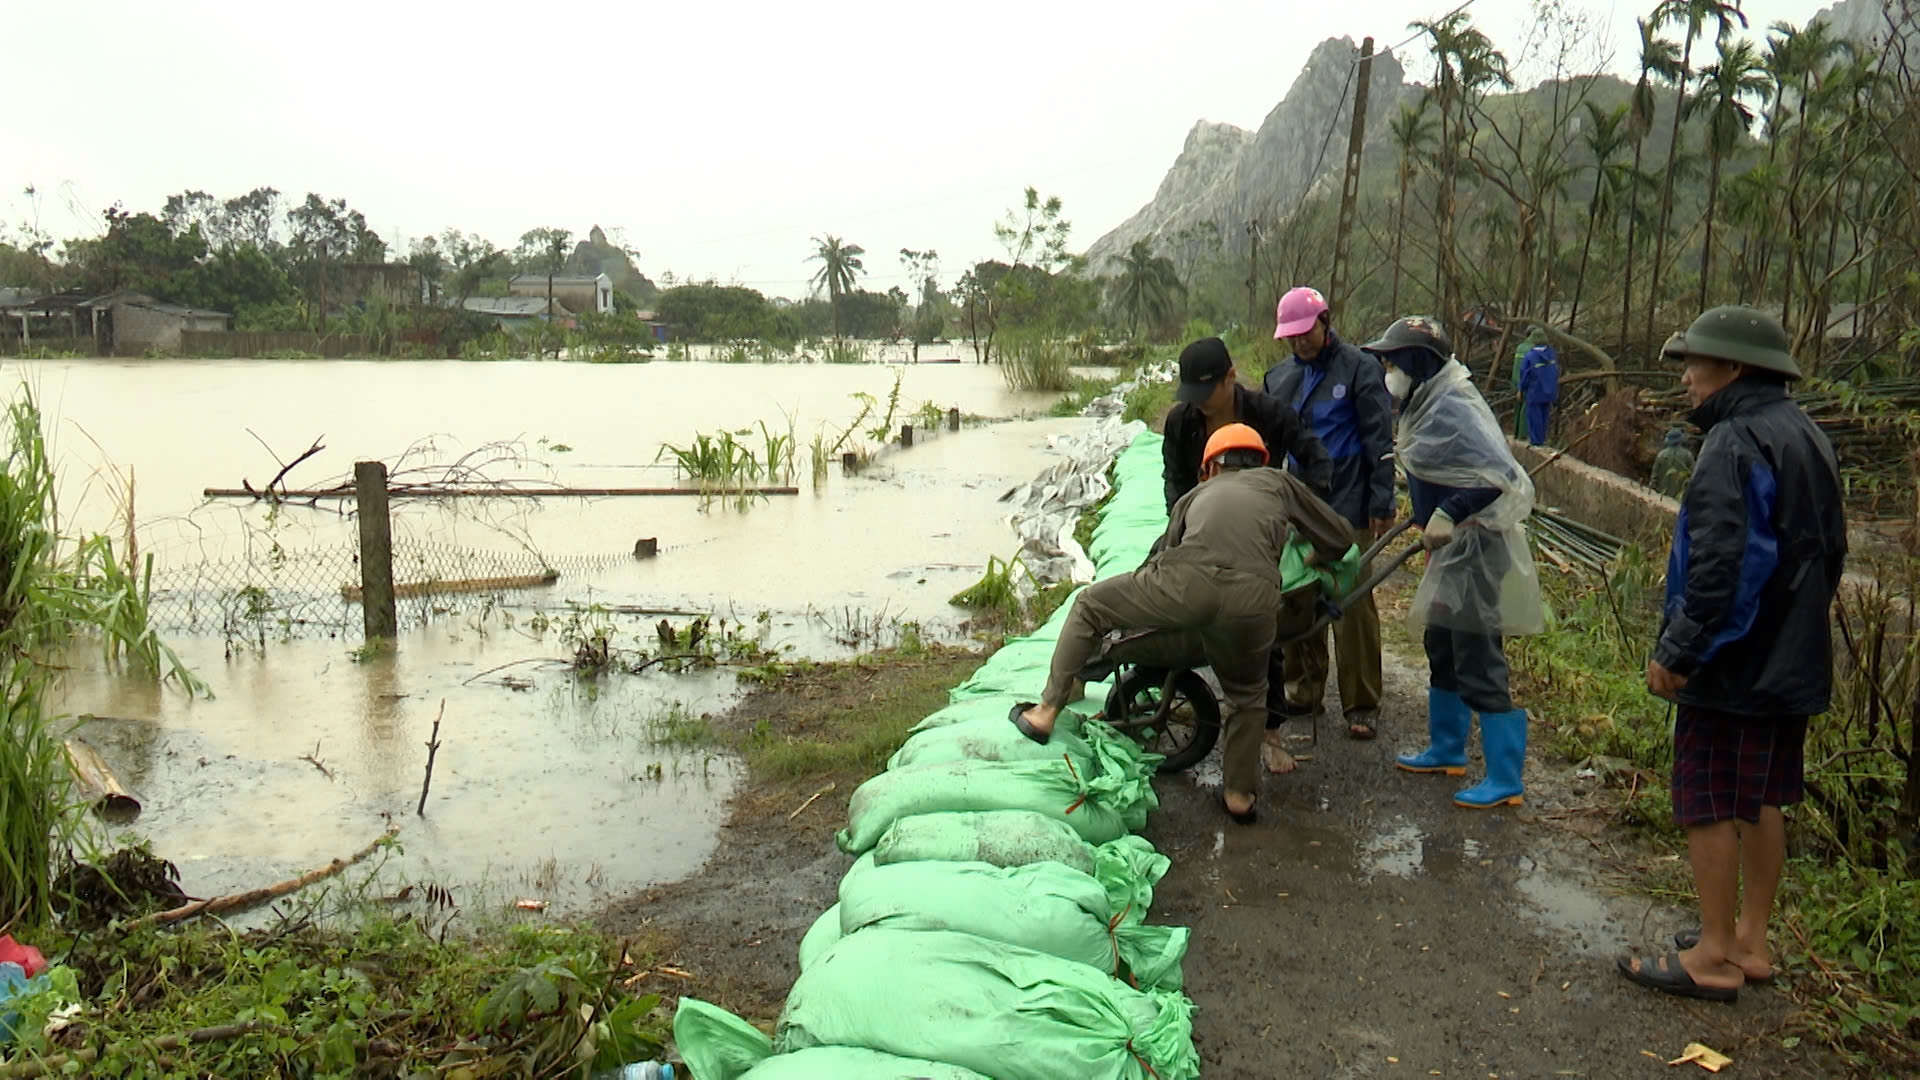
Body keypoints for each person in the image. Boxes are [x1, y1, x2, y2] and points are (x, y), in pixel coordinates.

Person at [1617, 306, 1846, 1003]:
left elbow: (1724, 566)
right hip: (1789, 658)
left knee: (1708, 797)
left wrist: (1682, 648)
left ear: (1735, 369)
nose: (1685, 377)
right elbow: (1827, 553)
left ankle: (1711, 954)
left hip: (1734, 662)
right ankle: (1751, 938)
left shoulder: (1733, 442)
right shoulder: (1807, 434)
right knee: (1761, 799)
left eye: (1696, 362)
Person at [1013, 424, 1354, 824]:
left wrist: (1140, 598)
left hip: (1186, 584)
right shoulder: (1278, 483)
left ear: (1209, 468)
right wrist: (1309, 557)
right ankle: (1240, 795)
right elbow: (1340, 538)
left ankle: (1046, 711)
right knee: (1247, 695)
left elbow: (1162, 556)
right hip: (1257, 596)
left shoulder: (1194, 496)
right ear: (1261, 459)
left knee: (1089, 605)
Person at [1361, 316, 1545, 807]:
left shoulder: (1455, 405)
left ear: (1419, 362)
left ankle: (1506, 778)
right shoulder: (1425, 401)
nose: (1387, 368)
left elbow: (1498, 475)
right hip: (1451, 548)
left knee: (1476, 652)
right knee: (1439, 642)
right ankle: (1447, 748)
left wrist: (1447, 510)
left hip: (1479, 549)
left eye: (1393, 360)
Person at [1262, 286, 1394, 742]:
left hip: (1348, 502)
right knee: (1297, 595)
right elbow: (1270, 447)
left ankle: (1361, 702)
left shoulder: (1359, 369)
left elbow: (1379, 439)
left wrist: (1382, 502)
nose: (1299, 342)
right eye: (1291, 336)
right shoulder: (1278, 378)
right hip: (1298, 507)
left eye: (1305, 333)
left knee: (1353, 601)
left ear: (1325, 321)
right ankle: (1303, 689)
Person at [1161, 336, 1331, 510]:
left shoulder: (1269, 413)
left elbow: (1316, 457)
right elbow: (1175, 480)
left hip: (1262, 515)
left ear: (1231, 376)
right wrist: (1180, 522)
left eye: (1205, 392)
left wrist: (1304, 511)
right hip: (1203, 517)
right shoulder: (1180, 422)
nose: (1198, 401)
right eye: (1192, 394)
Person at [1518, 330, 1560, 446]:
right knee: (1544, 416)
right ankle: (1543, 439)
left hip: (1535, 391)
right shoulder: (1551, 354)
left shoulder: (1530, 357)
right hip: (1549, 391)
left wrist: (1521, 389)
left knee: (1534, 417)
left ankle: (1536, 442)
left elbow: (1525, 375)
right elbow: (1556, 371)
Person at [1650, 428, 1696, 497]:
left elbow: (1654, 478)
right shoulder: (1688, 455)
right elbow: (1693, 477)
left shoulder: (1661, 455)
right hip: (1680, 497)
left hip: (1662, 496)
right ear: (1681, 440)